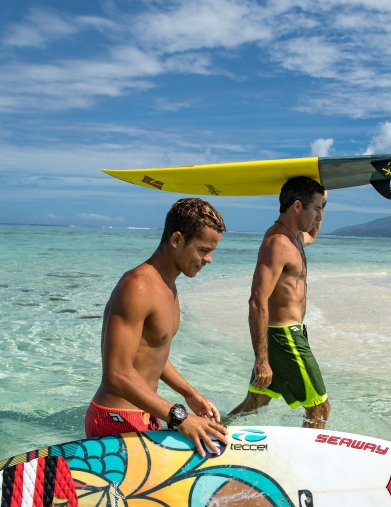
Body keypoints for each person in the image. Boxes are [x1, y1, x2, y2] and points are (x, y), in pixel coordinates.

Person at [86, 198, 228, 456]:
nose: (208, 259)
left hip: (148, 413)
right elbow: (116, 373)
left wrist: (189, 393)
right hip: (115, 421)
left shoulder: (169, 286)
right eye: (203, 250)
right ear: (176, 240)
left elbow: (153, 351)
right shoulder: (137, 286)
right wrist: (181, 418)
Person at [229, 176, 330, 428]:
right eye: (316, 209)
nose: (319, 216)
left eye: (321, 209)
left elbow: (313, 236)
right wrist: (261, 360)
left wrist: (323, 201)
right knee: (319, 409)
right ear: (297, 206)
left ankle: (214, 433)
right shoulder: (278, 243)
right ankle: (305, 464)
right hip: (284, 338)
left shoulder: (294, 237)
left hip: (284, 335)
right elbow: (256, 301)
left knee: (255, 403)